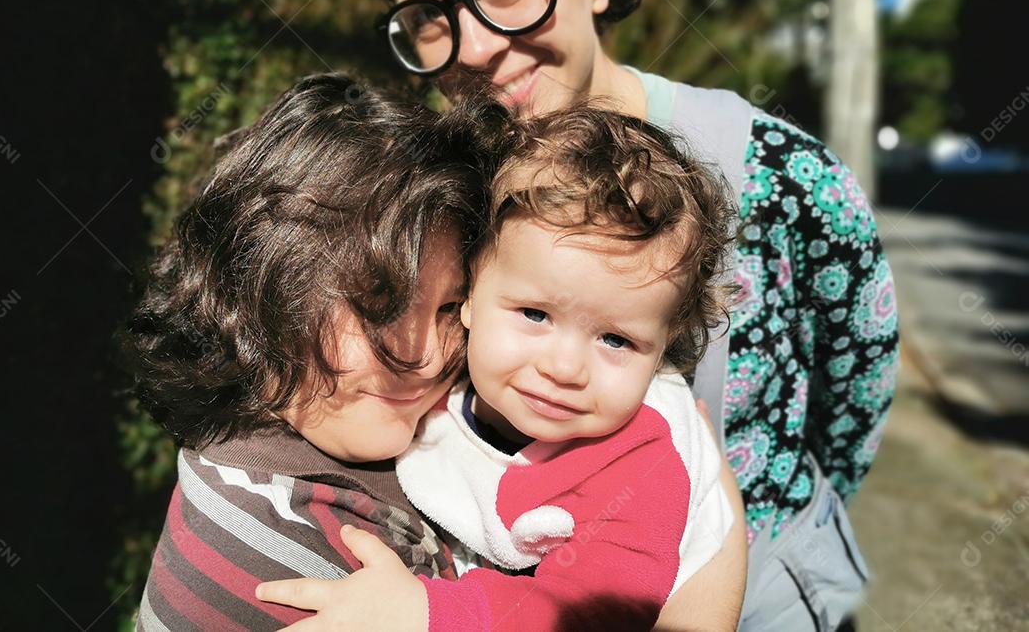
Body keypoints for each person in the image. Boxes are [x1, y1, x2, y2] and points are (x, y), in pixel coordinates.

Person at [341, 0, 898, 627]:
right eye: (428, 16)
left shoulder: (775, 177)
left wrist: (741, 551)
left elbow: (854, 396)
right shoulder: (438, 200)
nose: (475, 46)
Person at [127, 73, 745, 631]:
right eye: (380, 303)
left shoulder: (423, 425)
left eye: (449, 307)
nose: (423, 355)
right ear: (262, 287)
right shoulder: (259, 545)